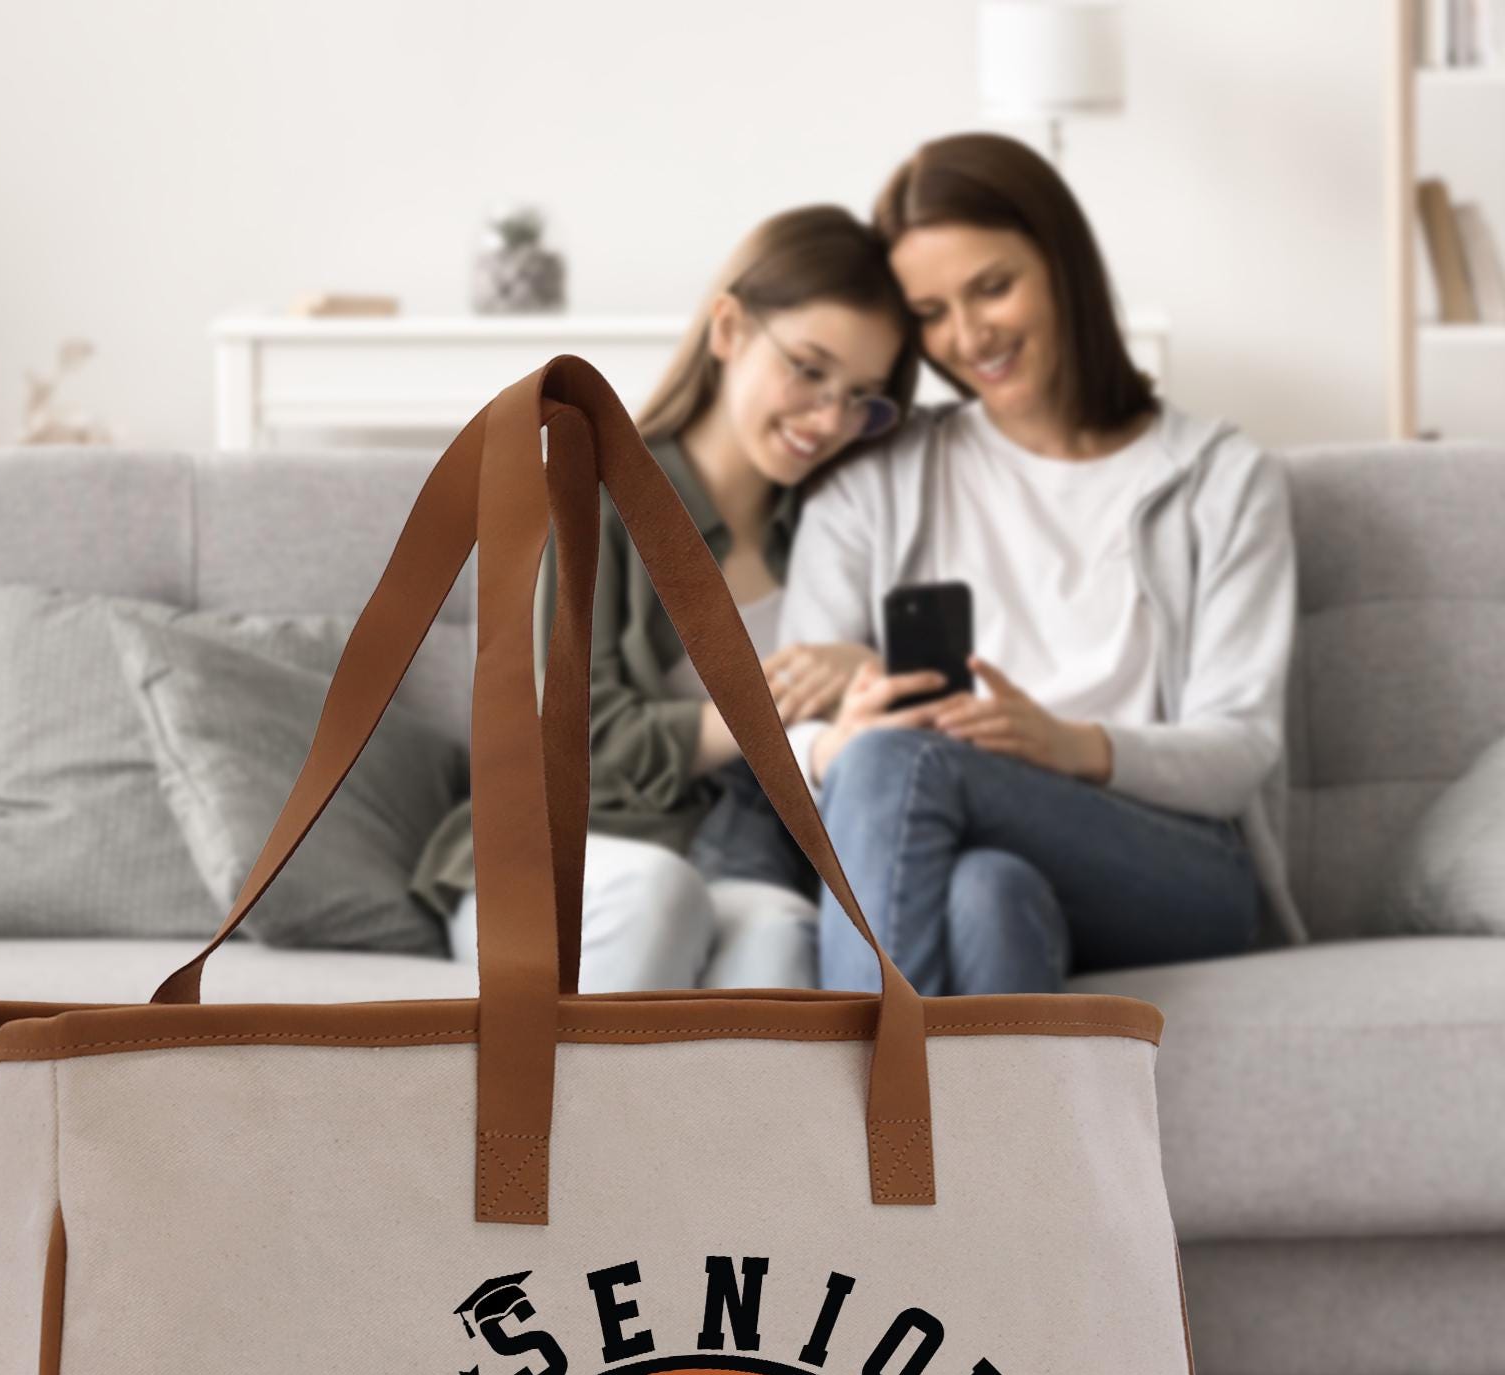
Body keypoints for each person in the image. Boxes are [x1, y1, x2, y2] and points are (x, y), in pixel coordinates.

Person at [769, 133, 1307, 997]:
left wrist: (1070, 747)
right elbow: (783, 740)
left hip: (1172, 863)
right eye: (932, 313)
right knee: (988, 893)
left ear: (1062, 263)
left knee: (896, 764)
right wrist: (837, 739)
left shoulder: (1219, 478)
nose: (968, 336)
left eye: (992, 287)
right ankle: (981, 1138)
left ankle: (848, 1124)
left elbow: (1240, 747)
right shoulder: (875, 485)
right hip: (949, 842)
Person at [408, 205, 919, 990]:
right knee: (659, 893)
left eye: (861, 397)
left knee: (785, 934)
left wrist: (860, 670)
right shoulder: (588, 494)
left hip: (729, 862)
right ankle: (560, 1119)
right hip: (564, 854)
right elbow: (566, 738)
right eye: (810, 370)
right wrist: (766, 712)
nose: (829, 419)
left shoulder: (833, 533)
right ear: (728, 329)